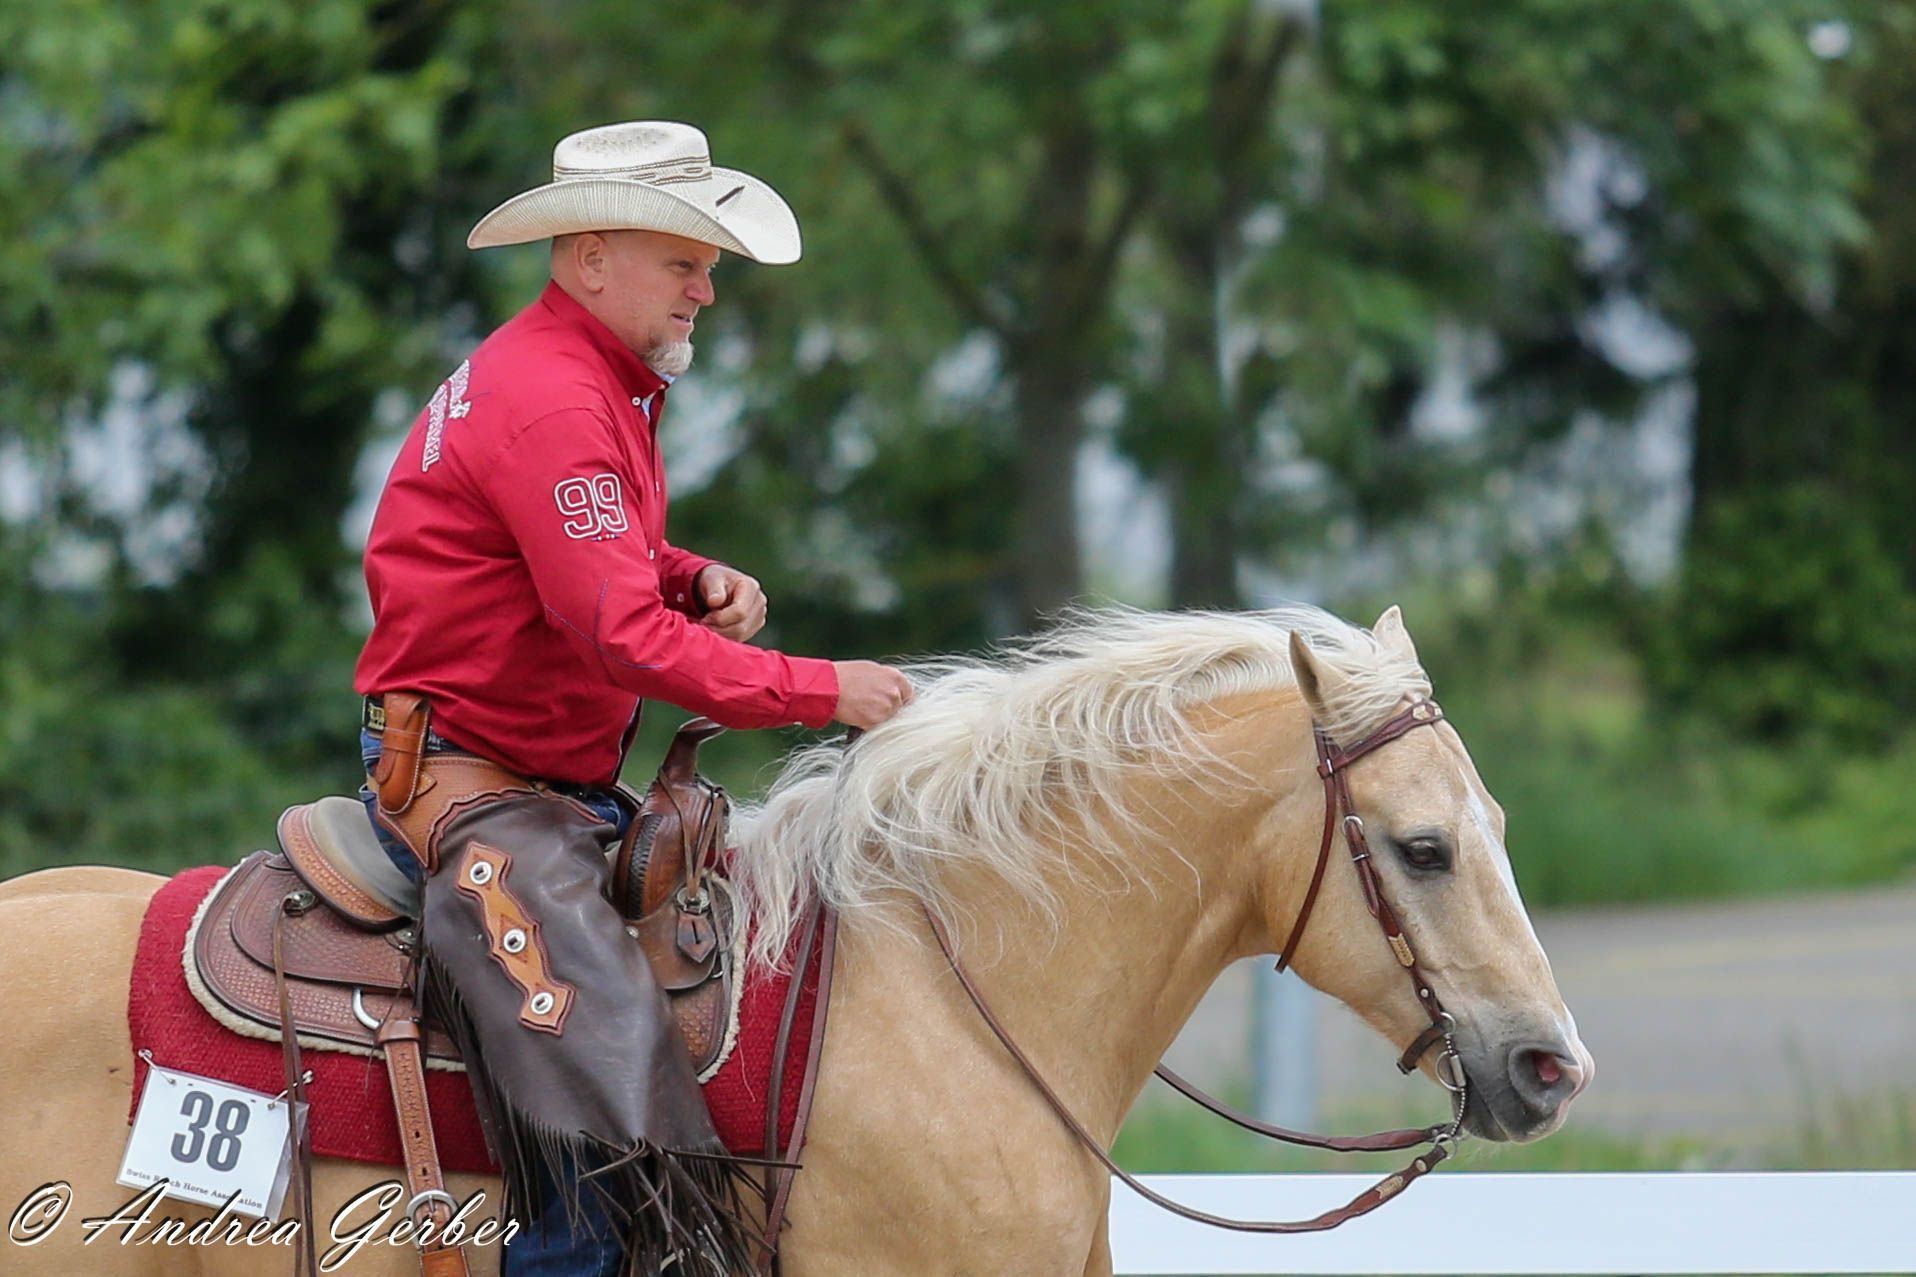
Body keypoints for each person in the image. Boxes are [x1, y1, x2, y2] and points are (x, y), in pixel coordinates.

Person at [352, 120, 913, 1277]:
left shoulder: (575, 376)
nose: (707, 290)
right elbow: (618, 636)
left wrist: (679, 568)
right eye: (685, 261)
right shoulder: (559, 402)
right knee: (606, 1091)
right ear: (592, 255)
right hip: (478, 790)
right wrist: (825, 690)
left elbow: (575, 550)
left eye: (707, 265)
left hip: (523, 774)